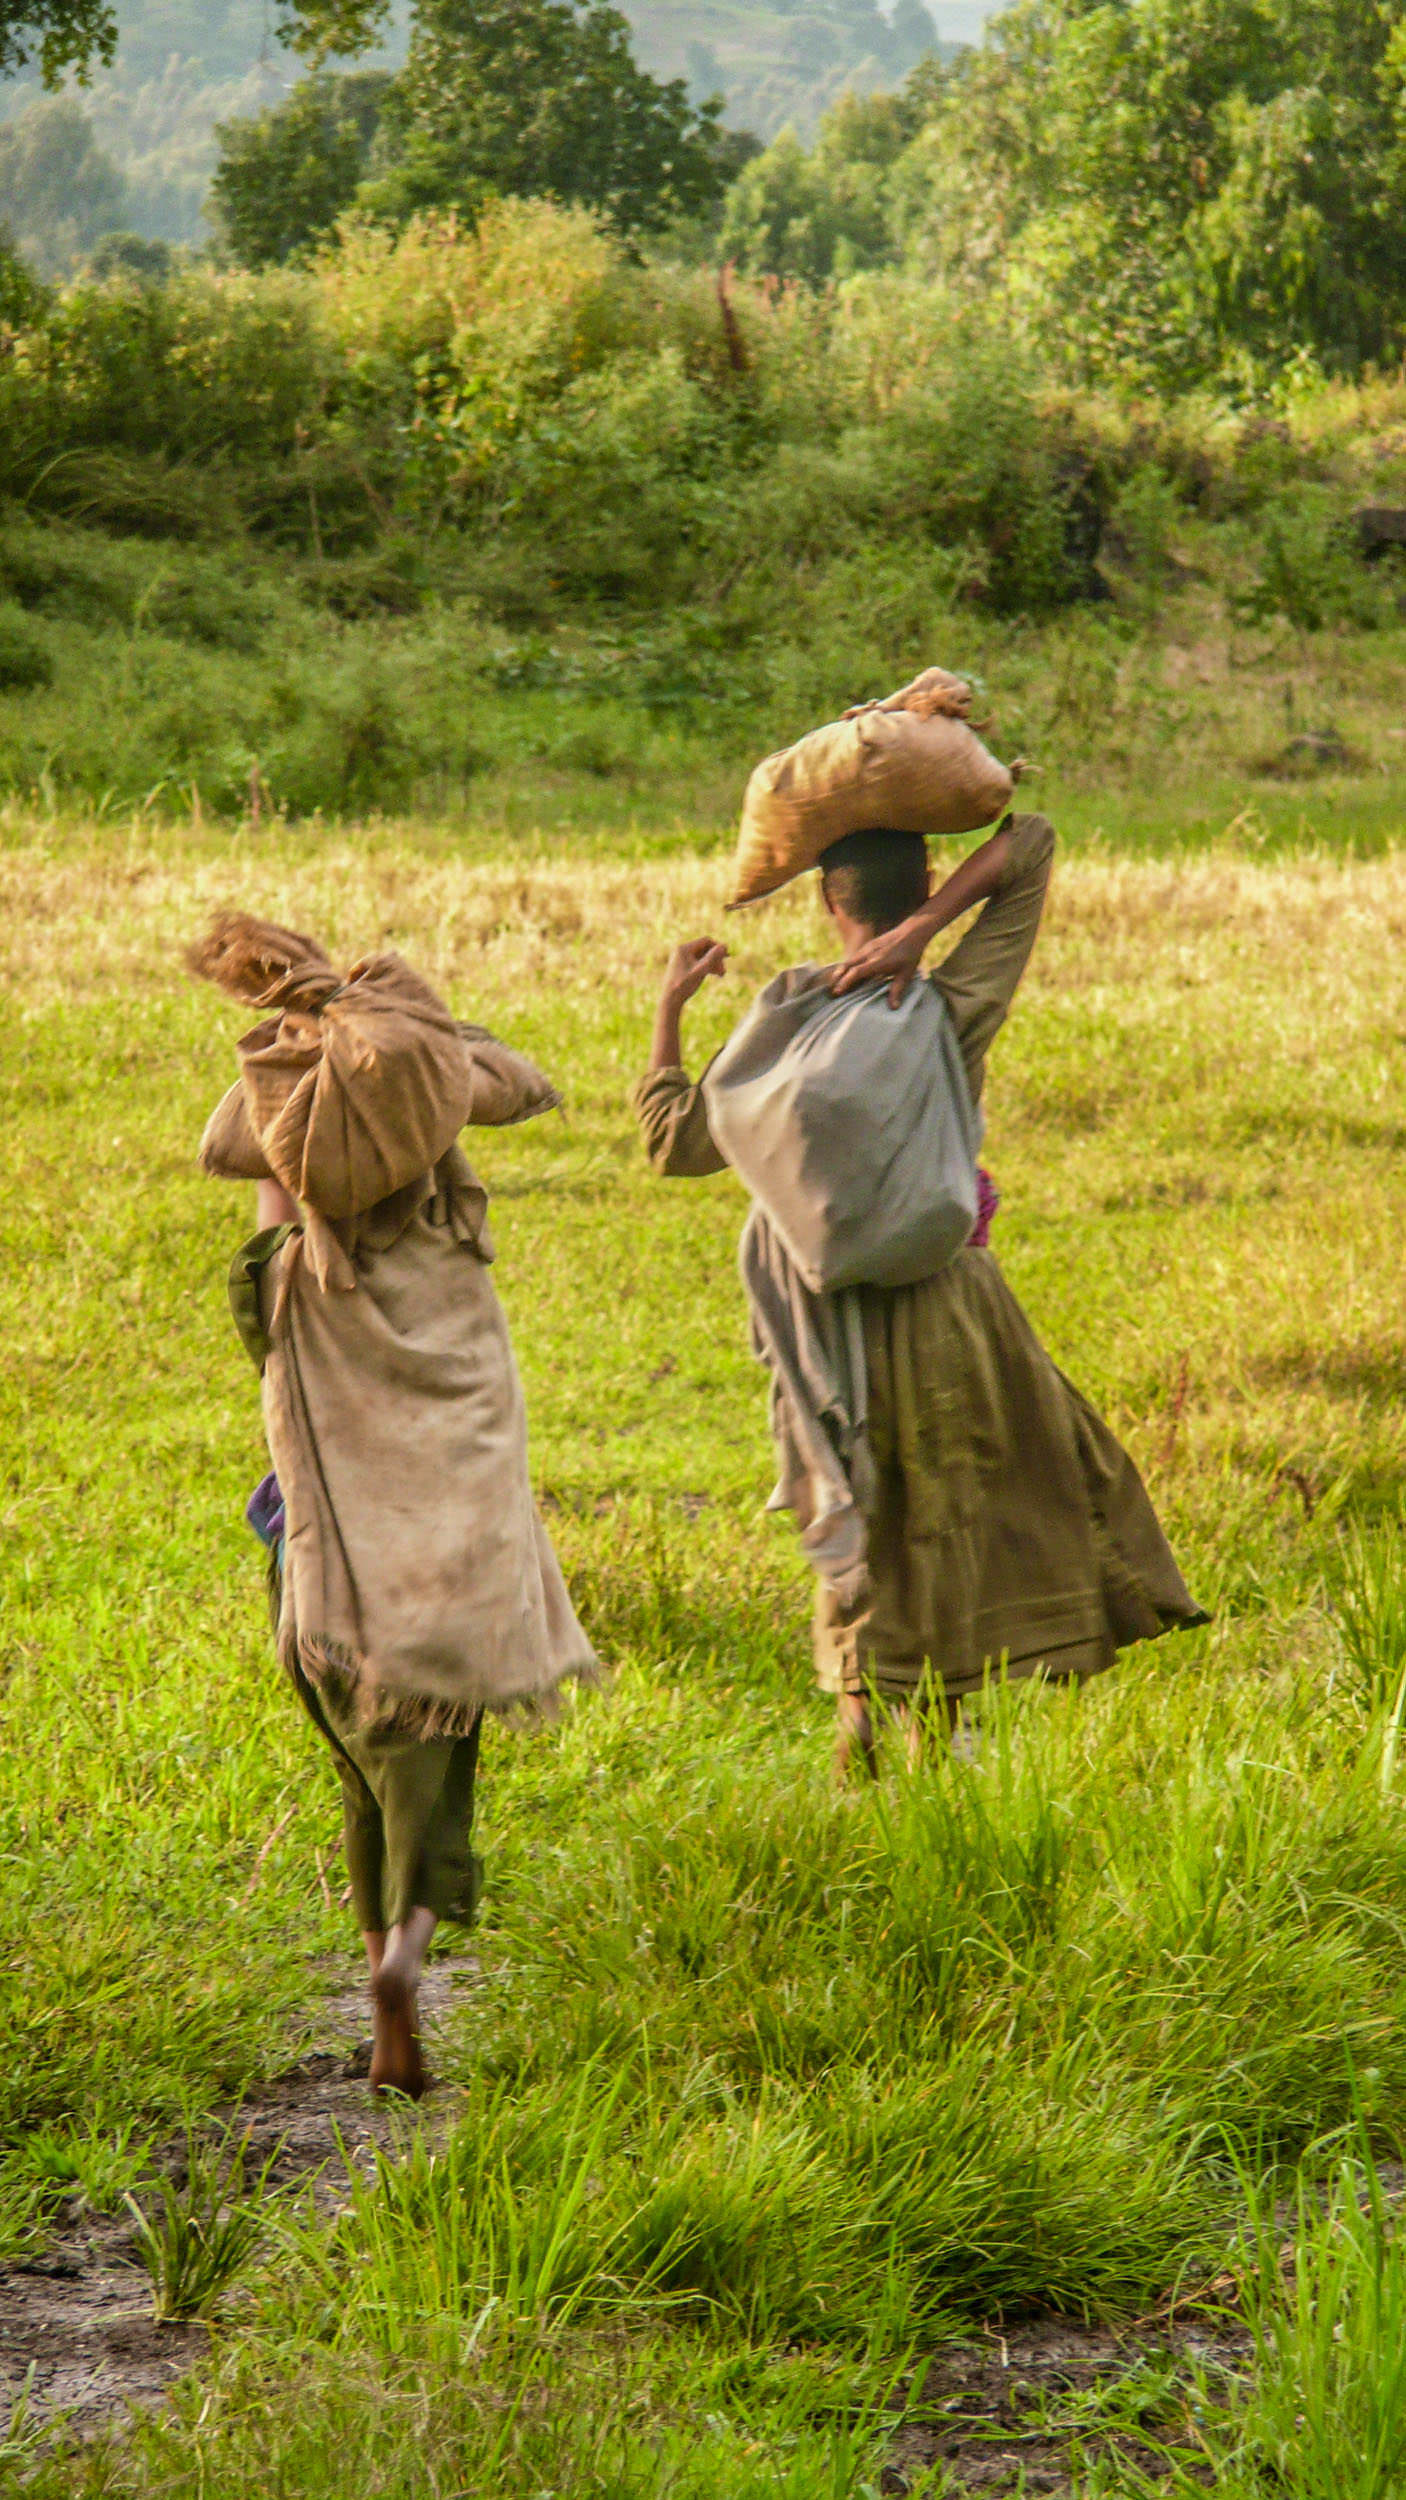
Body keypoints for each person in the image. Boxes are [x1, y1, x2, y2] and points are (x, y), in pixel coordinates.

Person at [633, 815, 1205, 1779]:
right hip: (952, 1314)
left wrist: (670, 1009)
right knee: (956, 1516)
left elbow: (673, 1145)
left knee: (869, 1534)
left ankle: (864, 1766)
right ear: (927, 882)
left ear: (827, 902)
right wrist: (930, 929)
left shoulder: (780, 1028)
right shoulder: (946, 1008)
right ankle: (934, 1765)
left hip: (825, 1338)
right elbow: (1032, 844)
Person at [194, 914, 596, 2095]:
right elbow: (497, 1078)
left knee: (359, 1774)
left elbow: (266, 1159)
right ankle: (410, 1959)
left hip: (322, 1561)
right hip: (443, 1564)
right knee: (434, 1761)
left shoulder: (284, 1281)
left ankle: (379, 1989)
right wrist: (409, 1039)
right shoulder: (451, 1265)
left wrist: (303, 1038)